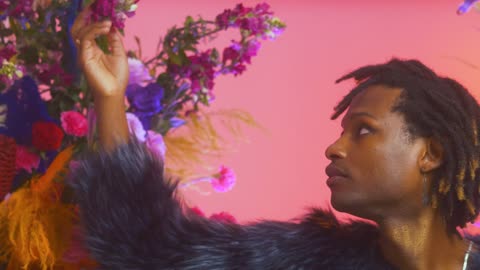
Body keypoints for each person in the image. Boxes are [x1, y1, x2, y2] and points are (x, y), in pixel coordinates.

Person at [69, 8, 480, 270]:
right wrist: (109, 97)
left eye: (364, 131)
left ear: (431, 154)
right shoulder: (303, 260)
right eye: (343, 132)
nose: (335, 148)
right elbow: (147, 248)